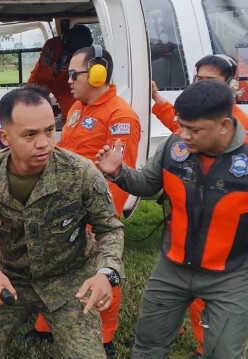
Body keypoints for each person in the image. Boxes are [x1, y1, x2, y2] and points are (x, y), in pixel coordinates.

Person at [0, 86, 124, 359]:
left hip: (70, 281)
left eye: (50, 130)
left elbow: (110, 228)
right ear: (5, 137)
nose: (44, 143)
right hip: (11, 277)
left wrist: (106, 272)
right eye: (30, 135)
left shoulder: (79, 173)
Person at [96, 80, 248, 359]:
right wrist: (119, 172)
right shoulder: (173, 149)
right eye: (181, 125)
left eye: (194, 130)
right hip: (172, 269)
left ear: (224, 126)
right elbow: (147, 184)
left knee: (224, 353)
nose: (183, 135)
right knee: (147, 346)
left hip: (230, 275)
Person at [29, 45, 140, 356]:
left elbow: (118, 177)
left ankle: (104, 338)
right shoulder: (77, 109)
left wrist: (99, 220)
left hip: (92, 211)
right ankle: (46, 327)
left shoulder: (121, 116)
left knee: (101, 272)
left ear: (97, 74)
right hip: (63, 207)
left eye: (74, 74)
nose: (68, 80)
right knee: (54, 266)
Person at [151, 53, 248, 359]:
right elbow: (181, 126)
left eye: (208, 80)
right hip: (181, 254)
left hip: (226, 261)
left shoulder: (240, 134)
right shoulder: (183, 137)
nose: (184, 135)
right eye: (197, 78)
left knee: (218, 332)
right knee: (158, 325)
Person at [152, 54, 248, 132]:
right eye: (200, 79)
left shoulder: (241, 126)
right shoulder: (198, 112)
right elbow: (179, 126)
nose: (203, 85)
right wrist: (157, 97)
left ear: (230, 84)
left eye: (211, 80)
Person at [26, 24, 94, 121]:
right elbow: (42, 70)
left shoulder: (87, 53)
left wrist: (71, 71)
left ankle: (71, 128)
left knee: (73, 112)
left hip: (65, 82)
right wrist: (53, 71)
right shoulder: (52, 46)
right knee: (27, 101)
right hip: (41, 78)